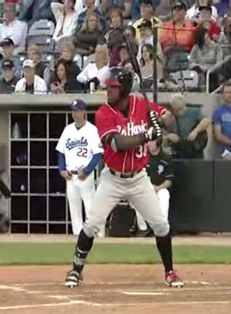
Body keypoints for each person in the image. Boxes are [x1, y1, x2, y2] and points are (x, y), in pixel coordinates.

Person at [64, 67, 183, 288]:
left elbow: (169, 119)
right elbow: (117, 144)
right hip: (113, 179)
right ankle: (76, 269)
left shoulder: (141, 104)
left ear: (125, 89)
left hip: (139, 178)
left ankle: (169, 272)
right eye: (108, 86)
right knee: (91, 225)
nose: (108, 90)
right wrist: (147, 134)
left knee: (160, 225)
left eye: (114, 87)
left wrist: (161, 120)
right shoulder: (103, 113)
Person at [56, 99, 104, 237]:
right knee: (74, 209)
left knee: (90, 208)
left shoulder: (92, 130)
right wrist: (61, 169)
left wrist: (88, 171)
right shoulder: (68, 129)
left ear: (84, 112)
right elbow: (61, 152)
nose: (74, 113)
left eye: (77, 110)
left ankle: (97, 237)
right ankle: (77, 237)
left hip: (85, 175)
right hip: (70, 175)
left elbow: (97, 155)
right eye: (73, 111)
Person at [134, 138, 173, 235]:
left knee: (164, 194)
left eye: (152, 141)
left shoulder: (166, 158)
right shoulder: (143, 157)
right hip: (145, 188)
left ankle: (162, 227)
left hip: (160, 188)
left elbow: (169, 181)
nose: (149, 144)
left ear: (158, 142)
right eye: (148, 141)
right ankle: (143, 229)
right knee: (136, 196)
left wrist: (158, 188)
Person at [166, 93, 210, 159]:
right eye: (177, 109)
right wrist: (169, 136)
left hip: (195, 150)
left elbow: (207, 121)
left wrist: (196, 131)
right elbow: (161, 130)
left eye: (181, 108)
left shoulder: (194, 111)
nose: (179, 111)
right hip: (179, 151)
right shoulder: (169, 116)